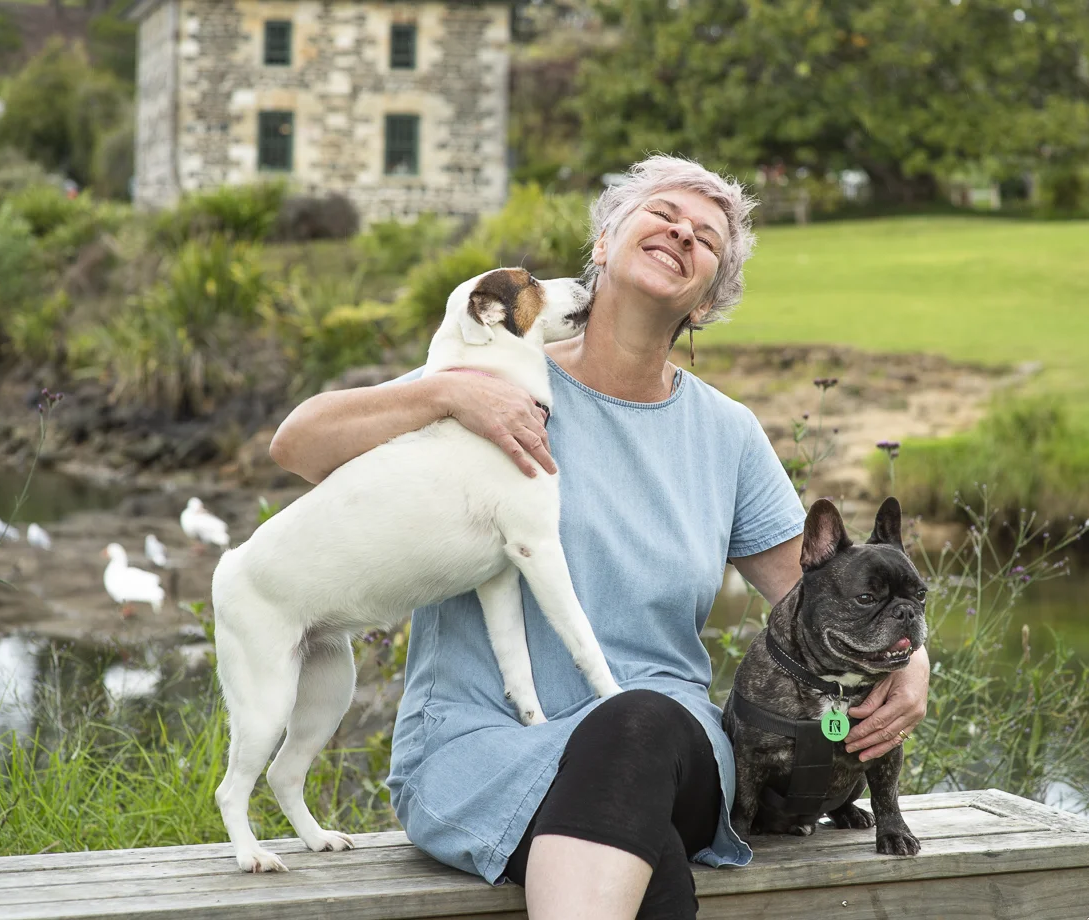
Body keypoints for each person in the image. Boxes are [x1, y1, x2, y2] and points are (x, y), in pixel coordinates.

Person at [268, 155, 931, 919]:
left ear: (710, 298)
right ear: (604, 242)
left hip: (670, 746)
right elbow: (298, 446)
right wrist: (444, 394)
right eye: (661, 214)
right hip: (480, 748)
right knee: (648, 867)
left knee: (637, 723)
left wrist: (913, 665)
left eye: (706, 238)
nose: (681, 232)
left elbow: (822, 588)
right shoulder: (488, 386)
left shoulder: (728, 434)